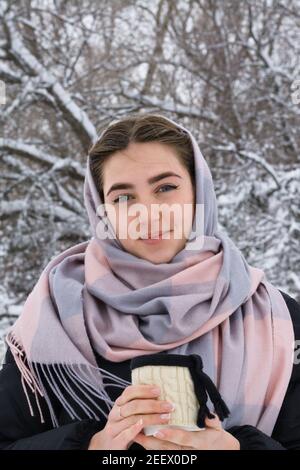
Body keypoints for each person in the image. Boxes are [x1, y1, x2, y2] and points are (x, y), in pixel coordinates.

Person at [0, 113, 299, 450]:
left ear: (198, 191)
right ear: (102, 210)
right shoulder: (54, 314)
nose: (148, 211)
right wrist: (91, 446)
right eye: (123, 197)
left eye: (166, 187)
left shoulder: (278, 321)